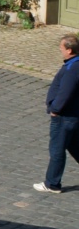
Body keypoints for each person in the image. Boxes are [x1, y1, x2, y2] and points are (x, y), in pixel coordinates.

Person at [35, 34, 79, 193]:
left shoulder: (72, 69)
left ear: (69, 50)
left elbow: (65, 93)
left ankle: (52, 183)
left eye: (61, 47)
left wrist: (55, 109)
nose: (60, 50)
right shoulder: (75, 65)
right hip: (74, 116)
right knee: (76, 146)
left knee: (57, 150)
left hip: (64, 117)